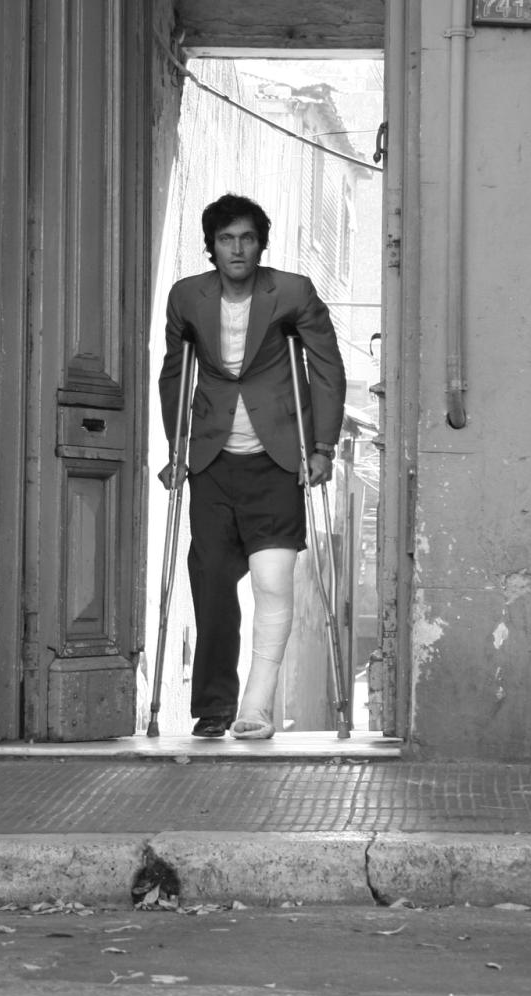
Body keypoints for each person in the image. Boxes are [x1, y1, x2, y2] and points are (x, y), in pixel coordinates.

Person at [159, 193, 347, 740]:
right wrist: (178, 450)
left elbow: (327, 369)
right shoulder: (186, 298)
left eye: (246, 239)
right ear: (212, 247)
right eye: (226, 240)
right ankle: (213, 707)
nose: (237, 249)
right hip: (213, 461)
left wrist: (323, 448)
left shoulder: (292, 292)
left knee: (271, 581)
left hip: (278, 459)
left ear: (261, 245)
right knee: (213, 583)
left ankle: (256, 707)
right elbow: (175, 375)